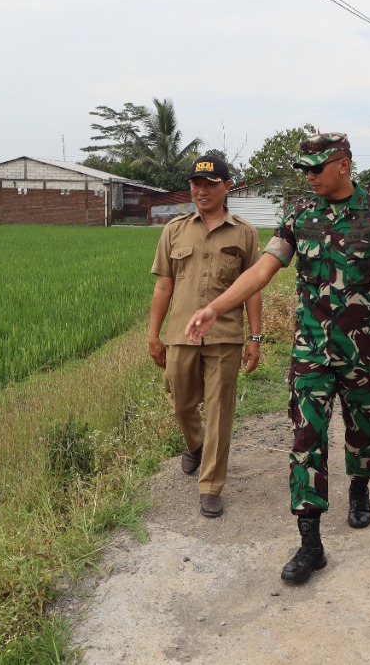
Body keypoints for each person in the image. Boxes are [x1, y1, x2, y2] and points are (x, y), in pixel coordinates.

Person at [185, 132, 370, 585]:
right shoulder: (298, 216)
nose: (308, 176)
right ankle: (310, 543)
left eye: (317, 167)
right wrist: (215, 307)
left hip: (364, 352)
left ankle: (360, 485)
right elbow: (262, 271)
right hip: (311, 349)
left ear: (344, 165)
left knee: (364, 429)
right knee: (306, 439)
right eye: (304, 168)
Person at [148, 154, 263, 519]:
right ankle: (194, 444)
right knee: (182, 402)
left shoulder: (244, 232)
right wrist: (154, 335)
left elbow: (254, 289)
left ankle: (211, 485)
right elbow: (163, 286)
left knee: (219, 411)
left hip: (225, 335)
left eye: (210, 184)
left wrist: (255, 338)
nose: (202, 190)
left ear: (227, 187)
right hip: (181, 333)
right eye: (196, 184)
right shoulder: (175, 230)